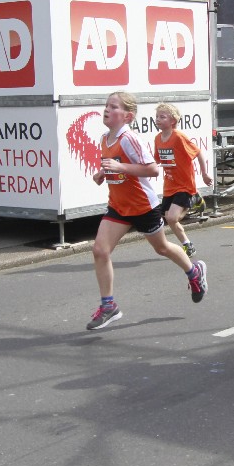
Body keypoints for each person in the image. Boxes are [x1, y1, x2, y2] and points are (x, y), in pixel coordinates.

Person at [86, 92, 209, 331]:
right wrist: (103, 173)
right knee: (100, 250)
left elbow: (152, 169)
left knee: (162, 248)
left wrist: (120, 167)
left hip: (143, 206)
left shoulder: (129, 138)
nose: (107, 109)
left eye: (114, 106)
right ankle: (109, 306)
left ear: (128, 116)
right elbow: (117, 168)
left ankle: (194, 271)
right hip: (119, 206)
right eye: (107, 105)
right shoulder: (105, 138)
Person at [153, 102, 213, 258]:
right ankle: (188, 245)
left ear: (173, 120)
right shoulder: (158, 139)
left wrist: (204, 174)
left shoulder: (178, 137)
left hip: (184, 185)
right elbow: (156, 160)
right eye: (157, 116)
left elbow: (198, 153)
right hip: (169, 185)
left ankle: (194, 198)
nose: (158, 119)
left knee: (172, 217)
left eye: (162, 117)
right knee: (169, 219)